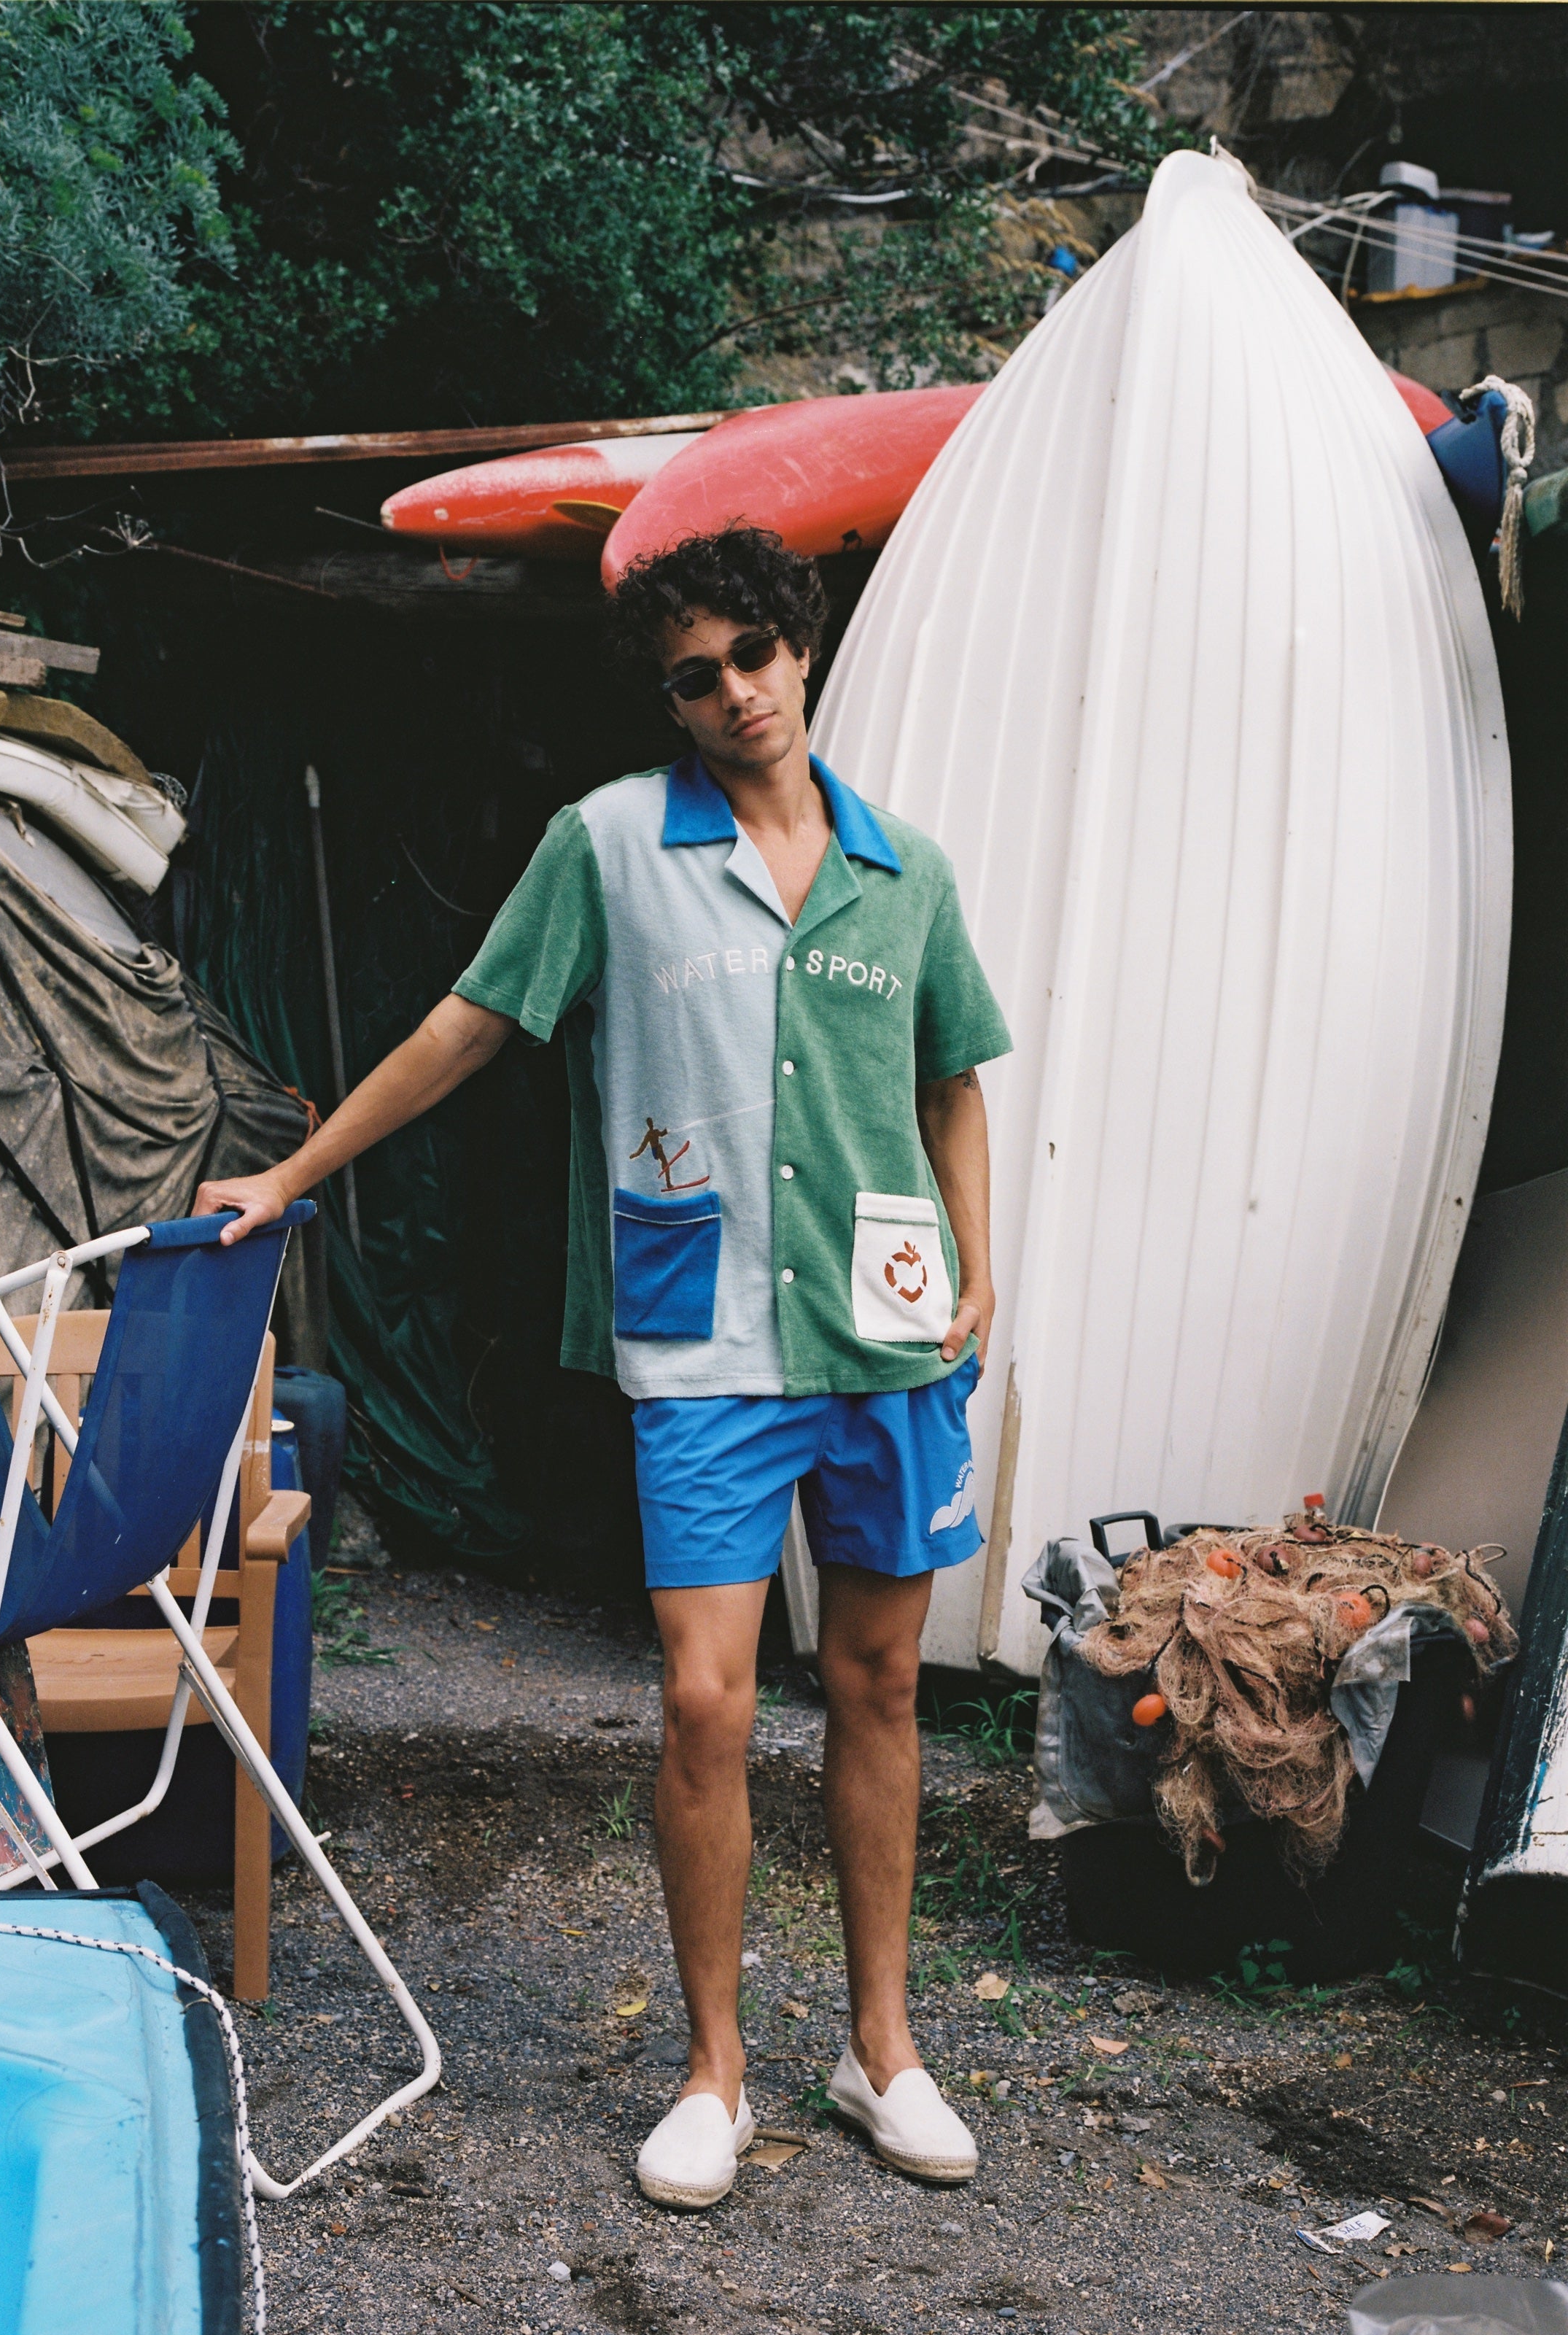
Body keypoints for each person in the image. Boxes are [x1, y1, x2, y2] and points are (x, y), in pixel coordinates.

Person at [195, 526, 1012, 2210]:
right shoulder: (611, 845)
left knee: (878, 1683)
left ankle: (880, 2050)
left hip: (885, 1330)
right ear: (671, 699)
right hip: (703, 1335)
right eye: (694, 677)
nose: (734, 694)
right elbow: (469, 1024)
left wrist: (979, 1260)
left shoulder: (906, 871)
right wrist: (290, 1175)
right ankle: (713, 2072)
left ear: (800, 651)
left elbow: (950, 1082)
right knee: (706, 1698)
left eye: (753, 657)